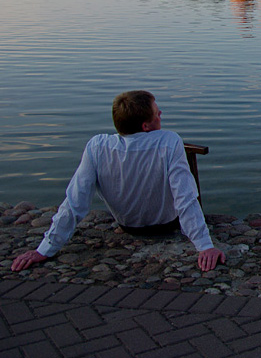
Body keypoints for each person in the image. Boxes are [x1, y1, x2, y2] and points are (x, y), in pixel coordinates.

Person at [11, 91, 225, 272]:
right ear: (146, 126)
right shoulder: (169, 141)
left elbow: (75, 201)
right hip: (167, 224)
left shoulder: (97, 146)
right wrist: (204, 246)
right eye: (156, 113)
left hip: (128, 225)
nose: (160, 114)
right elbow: (185, 197)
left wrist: (45, 249)